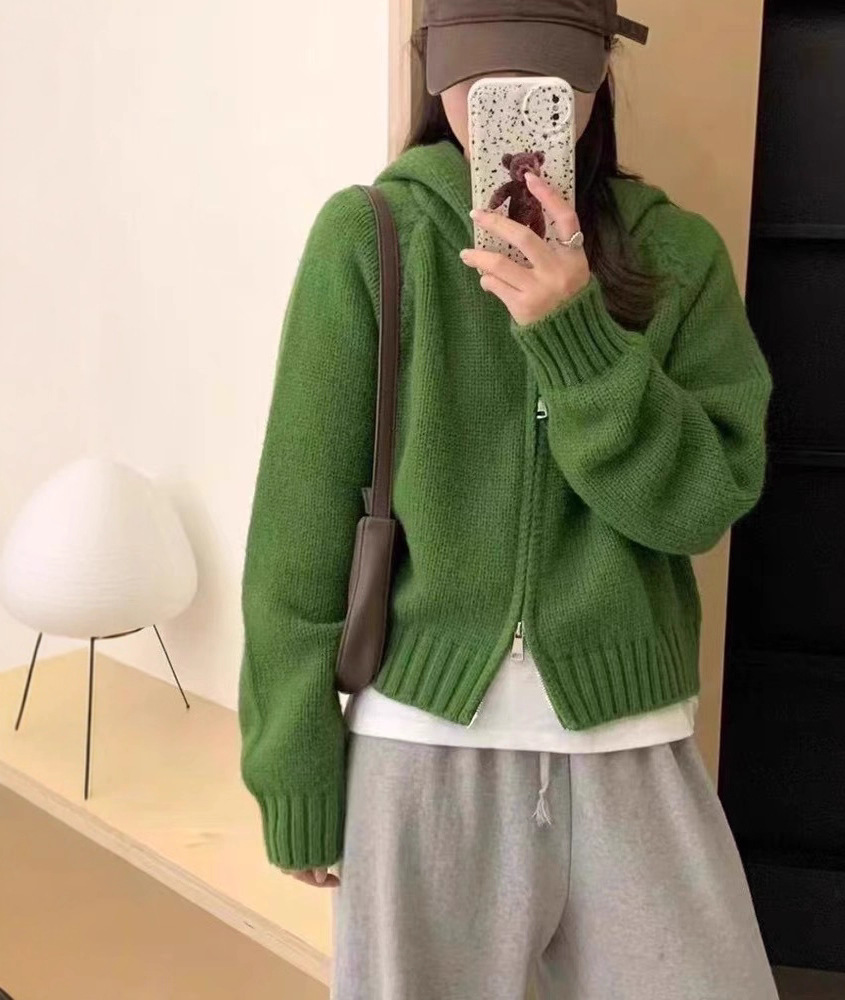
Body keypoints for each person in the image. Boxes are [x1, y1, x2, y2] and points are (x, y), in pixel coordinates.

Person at [237, 1, 779, 997]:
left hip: (633, 749)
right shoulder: (372, 235)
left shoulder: (677, 253)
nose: (515, 101)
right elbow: (296, 529)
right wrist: (293, 768)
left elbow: (701, 505)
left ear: (599, 75)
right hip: (418, 755)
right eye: (483, 78)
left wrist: (575, 336)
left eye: (547, 79)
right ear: (434, 72)